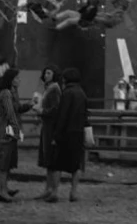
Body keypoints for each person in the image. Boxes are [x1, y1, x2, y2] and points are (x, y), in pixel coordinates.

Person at [50, 67, 94, 202]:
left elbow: (62, 115)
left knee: (57, 164)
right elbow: (85, 114)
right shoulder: (82, 93)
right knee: (76, 165)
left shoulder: (67, 93)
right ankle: (73, 192)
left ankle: (55, 192)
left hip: (65, 133)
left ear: (66, 79)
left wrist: (56, 134)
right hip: (78, 132)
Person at [0, 68, 32, 203]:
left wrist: (30, 105)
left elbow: (17, 109)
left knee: (9, 161)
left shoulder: (13, 93)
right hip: (6, 132)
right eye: (17, 78)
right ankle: (2, 191)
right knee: (4, 163)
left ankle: (5, 188)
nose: (19, 80)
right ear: (11, 79)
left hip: (11, 132)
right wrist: (17, 129)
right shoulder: (6, 94)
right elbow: (10, 113)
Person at [34, 64, 63, 202]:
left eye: (49, 73)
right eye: (45, 73)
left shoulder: (55, 89)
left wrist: (42, 112)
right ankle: (48, 189)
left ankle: (53, 190)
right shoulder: (48, 89)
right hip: (46, 127)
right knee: (48, 159)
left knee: (52, 159)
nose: (46, 75)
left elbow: (56, 110)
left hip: (52, 127)